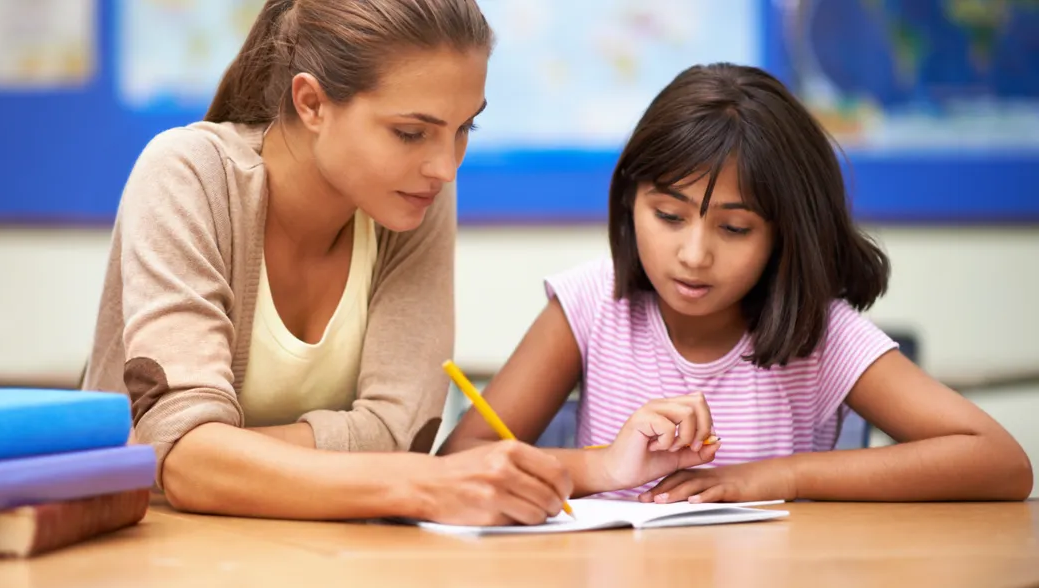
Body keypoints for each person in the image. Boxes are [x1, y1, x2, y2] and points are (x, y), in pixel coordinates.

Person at [441, 63, 1033, 504]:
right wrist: (599, 471)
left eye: (735, 227)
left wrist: (777, 475)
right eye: (668, 217)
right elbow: (461, 460)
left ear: (785, 232)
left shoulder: (819, 334)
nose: (694, 255)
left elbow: (1000, 462)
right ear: (629, 202)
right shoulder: (592, 303)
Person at [83, 0, 575, 525]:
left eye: (464, 130)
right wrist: (420, 482)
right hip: (151, 553)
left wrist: (212, 454)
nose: (445, 168)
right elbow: (187, 463)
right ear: (312, 103)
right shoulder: (189, 174)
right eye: (410, 133)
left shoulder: (412, 196)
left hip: (327, 555)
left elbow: (400, 434)